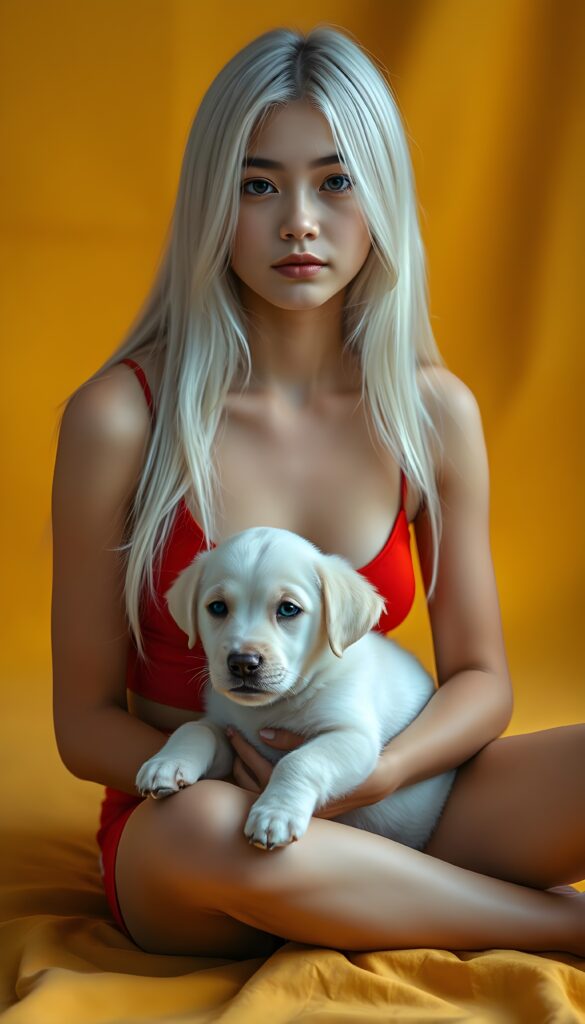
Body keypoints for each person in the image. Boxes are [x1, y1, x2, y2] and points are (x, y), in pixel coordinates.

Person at [51, 25, 584, 959]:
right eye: (257, 186)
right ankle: (562, 929)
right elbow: (82, 722)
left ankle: (373, 890)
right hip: (199, 831)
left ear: (382, 198)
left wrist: (376, 776)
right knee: (204, 829)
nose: (298, 220)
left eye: (335, 182)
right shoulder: (121, 415)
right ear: (211, 205)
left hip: (390, 798)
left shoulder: (431, 413)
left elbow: (481, 680)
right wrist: (235, 776)